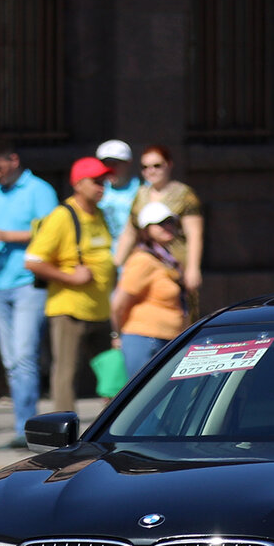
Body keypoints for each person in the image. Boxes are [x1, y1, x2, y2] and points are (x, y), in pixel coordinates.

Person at [0, 137, 59, 449]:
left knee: (24, 356)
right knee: (11, 360)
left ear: (13, 160)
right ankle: (20, 424)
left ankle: (28, 427)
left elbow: (52, 233)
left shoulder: (39, 190)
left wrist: (7, 236)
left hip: (28, 282)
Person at [25, 157, 116, 416]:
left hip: (100, 310)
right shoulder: (62, 216)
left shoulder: (99, 214)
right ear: (78, 183)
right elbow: (33, 260)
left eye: (104, 181)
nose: (102, 186)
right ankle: (63, 436)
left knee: (112, 376)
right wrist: (70, 278)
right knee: (66, 374)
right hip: (69, 310)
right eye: (96, 181)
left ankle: (114, 429)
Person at [117, 145, 204, 321]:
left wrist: (193, 268)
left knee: (182, 312)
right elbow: (130, 231)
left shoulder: (184, 194)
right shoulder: (140, 194)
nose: (151, 171)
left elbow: (194, 234)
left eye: (157, 165)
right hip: (148, 261)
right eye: (145, 167)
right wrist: (118, 262)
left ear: (169, 165)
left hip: (176, 262)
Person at [111, 202, 185, 378]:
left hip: (166, 339)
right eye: (160, 223)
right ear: (146, 229)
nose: (167, 227)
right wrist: (116, 334)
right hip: (145, 340)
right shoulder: (143, 260)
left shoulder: (166, 259)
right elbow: (118, 304)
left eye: (170, 222)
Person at [95, 139, 139, 259]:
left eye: (116, 164)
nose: (111, 169)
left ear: (128, 163)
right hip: (102, 256)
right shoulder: (97, 189)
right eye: (106, 164)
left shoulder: (141, 189)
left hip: (133, 255)